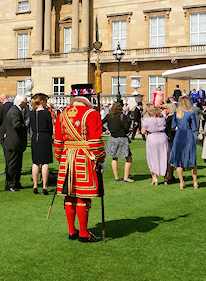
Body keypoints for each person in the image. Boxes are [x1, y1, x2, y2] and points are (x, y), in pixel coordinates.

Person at [54, 84, 105, 243]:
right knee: (83, 195)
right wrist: (101, 158)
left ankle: (71, 230)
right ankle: (83, 232)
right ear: (88, 98)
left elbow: (57, 142)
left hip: (67, 157)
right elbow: (96, 142)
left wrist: (60, 157)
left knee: (69, 195)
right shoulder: (92, 113)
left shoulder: (62, 115)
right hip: (84, 157)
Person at [169, 96, 198, 189]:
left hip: (179, 135)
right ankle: (195, 183)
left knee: (178, 160)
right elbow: (194, 128)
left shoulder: (176, 114)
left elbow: (173, 126)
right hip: (189, 135)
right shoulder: (191, 114)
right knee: (192, 158)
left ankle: (182, 182)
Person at [2, 94, 28, 191]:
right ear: (21, 103)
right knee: (13, 164)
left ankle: (15, 182)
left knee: (17, 164)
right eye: (25, 102)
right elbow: (16, 125)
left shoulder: (16, 110)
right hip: (14, 142)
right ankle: (11, 184)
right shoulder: (14, 111)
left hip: (16, 142)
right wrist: (26, 125)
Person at [104, 102, 133, 182]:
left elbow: (101, 123)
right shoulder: (122, 116)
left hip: (112, 138)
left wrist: (105, 130)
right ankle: (126, 177)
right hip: (122, 138)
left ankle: (116, 177)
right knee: (128, 157)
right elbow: (127, 128)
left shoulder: (108, 116)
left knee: (114, 158)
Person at [30, 93, 53, 195]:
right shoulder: (46, 113)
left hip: (35, 137)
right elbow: (50, 128)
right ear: (42, 102)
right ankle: (44, 186)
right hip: (45, 137)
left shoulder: (32, 113)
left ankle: (35, 185)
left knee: (35, 162)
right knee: (45, 163)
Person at [141, 104, 169, 185]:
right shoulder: (162, 117)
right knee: (164, 157)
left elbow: (143, 132)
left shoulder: (146, 120)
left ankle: (155, 177)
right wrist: (160, 106)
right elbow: (167, 109)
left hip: (152, 138)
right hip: (162, 137)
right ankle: (165, 177)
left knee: (153, 158)